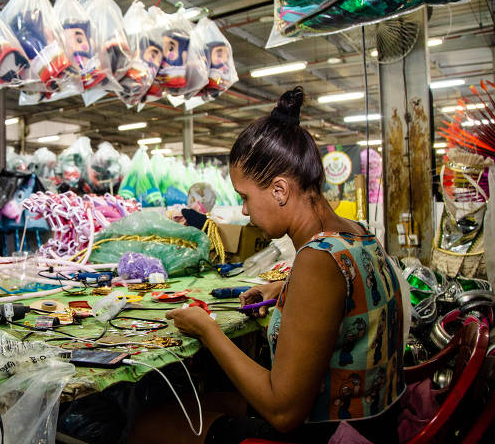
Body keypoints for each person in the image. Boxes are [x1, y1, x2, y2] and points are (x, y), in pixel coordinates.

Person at [131, 86, 405, 443]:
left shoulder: (317, 260)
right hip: (374, 424)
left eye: (245, 197)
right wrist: (285, 290)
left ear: (279, 190)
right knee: (202, 401)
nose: (244, 210)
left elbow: (283, 412)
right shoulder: (358, 236)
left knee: (149, 425)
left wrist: (206, 330)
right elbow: (349, 299)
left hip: (332, 434)